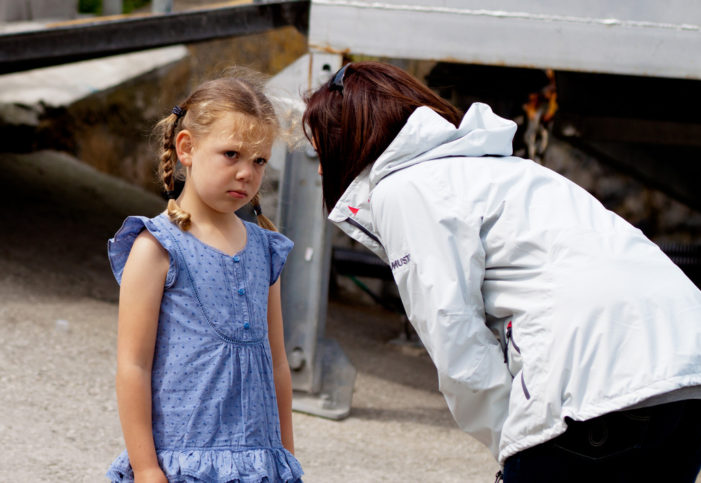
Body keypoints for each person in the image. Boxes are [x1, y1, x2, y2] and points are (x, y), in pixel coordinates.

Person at [303, 61, 701, 482]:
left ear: (350, 141)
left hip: (595, 387)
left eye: (320, 149)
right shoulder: (501, 168)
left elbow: (454, 336)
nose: (320, 169)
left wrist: (514, 444)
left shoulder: (405, 189)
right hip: (685, 373)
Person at [106, 71, 303, 482]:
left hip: (259, 464)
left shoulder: (266, 248)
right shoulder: (157, 247)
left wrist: (286, 456)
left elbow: (279, 364)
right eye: (231, 154)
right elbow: (133, 366)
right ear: (187, 148)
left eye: (259, 160)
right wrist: (145, 468)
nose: (246, 172)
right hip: (183, 461)